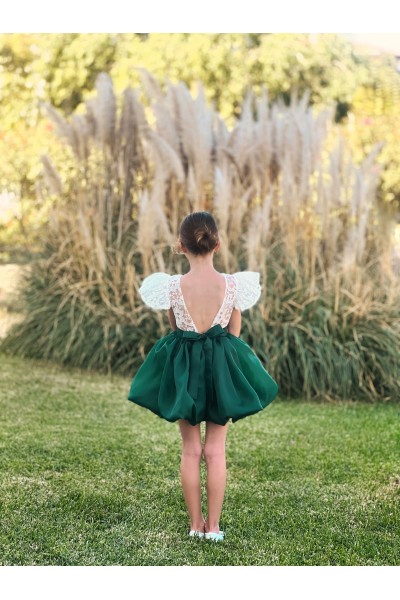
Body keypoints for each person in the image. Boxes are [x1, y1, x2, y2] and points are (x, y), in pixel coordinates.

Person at [127, 211, 279, 542]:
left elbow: (175, 326)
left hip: (185, 370)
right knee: (216, 451)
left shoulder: (171, 286)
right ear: (217, 245)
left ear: (179, 246)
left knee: (190, 450)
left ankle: (195, 524)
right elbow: (234, 333)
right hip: (221, 369)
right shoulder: (233, 284)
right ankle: (214, 527)